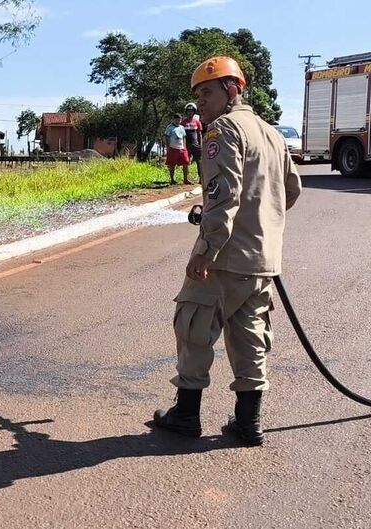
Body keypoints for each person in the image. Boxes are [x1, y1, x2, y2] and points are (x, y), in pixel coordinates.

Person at [152, 56, 302, 446]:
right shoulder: (271, 133)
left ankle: (186, 416)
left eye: (207, 92)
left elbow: (223, 195)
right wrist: (260, 222)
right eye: (197, 95)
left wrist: (207, 249)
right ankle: (248, 423)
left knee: (193, 328)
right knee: (251, 335)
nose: (200, 102)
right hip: (262, 261)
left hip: (224, 259)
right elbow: (291, 190)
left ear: (232, 90)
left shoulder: (222, 130)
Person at [164, 114, 193, 185]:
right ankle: (172, 179)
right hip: (173, 148)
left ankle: (186, 179)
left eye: (179, 119)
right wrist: (168, 147)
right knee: (172, 164)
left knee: (186, 163)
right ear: (173, 120)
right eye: (176, 119)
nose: (178, 121)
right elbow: (167, 137)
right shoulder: (169, 127)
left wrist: (184, 147)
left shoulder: (182, 127)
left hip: (182, 148)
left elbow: (184, 137)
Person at [181, 102, 203, 182]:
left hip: (196, 145)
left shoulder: (197, 122)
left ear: (194, 112)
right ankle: (185, 179)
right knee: (186, 162)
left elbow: (199, 134)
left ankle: (201, 179)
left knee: (199, 162)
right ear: (186, 112)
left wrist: (200, 145)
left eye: (191, 111)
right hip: (186, 146)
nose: (190, 113)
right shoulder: (183, 122)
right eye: (188, 111)